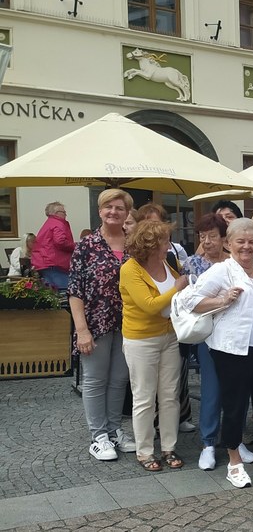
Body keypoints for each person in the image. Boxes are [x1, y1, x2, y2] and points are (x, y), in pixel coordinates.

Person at [182, 218, 253, 487]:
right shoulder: (223, 271)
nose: (246, 246)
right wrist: (222, 300)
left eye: (252, 241)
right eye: (240, 241)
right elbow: (190, 300)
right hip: (231, 349)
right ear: (228, 244)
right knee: (234, 405)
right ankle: (234, 461)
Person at [69, 189, 136, 462]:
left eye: (119, 208)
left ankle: (114, 430)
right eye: (108, 207)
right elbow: (75, 291)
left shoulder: (134, 243)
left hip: (129, 323)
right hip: (95, 323)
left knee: (119, 379)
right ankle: (98, 436)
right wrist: (81, 330)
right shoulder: (86, 246)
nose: (113, 212)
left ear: (127, 213)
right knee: (96, 380)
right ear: (100, 211)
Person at [120, 220, 189, 472]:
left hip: (170, 335)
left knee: (170, 395)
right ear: (149, 244)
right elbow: (149, 305)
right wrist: (177, 288)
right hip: (141, 339)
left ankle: (169, 447)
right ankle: (145, 451)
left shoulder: (169, 263)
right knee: (144, 397)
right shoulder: (130, 269)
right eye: (163, 241)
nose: (167, 245)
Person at [136, 202, 194, 433]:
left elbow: (185, 281)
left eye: (159, 222)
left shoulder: (172, 255)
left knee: (174, 381)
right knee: (147, 388)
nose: (156, 228)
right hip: (144, 333)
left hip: (173, 329)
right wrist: (178, 288)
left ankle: (179, 418)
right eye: (150, 222)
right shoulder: (133, 263)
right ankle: (150, 429)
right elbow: (150, 305)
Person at [181, 213, 232, 471]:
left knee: (236, 390)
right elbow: (185, 298)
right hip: (207, 334)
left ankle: (234, 439)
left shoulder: (236, 262)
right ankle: (208, 442)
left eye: (213, 236)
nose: (208, 241)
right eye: (203, 236)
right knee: (211, 389)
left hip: (235, 334)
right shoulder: (192, 264)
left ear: (224, 238)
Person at [31, 201, 76, 290]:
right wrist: (76, 246)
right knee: (64, 291)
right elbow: (60, 242)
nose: (65, 215)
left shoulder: (49, 223)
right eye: (63, 212)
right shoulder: (58, 223)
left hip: (44, 262)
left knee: (51, 293)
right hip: (54, 263)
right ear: (56, 213)